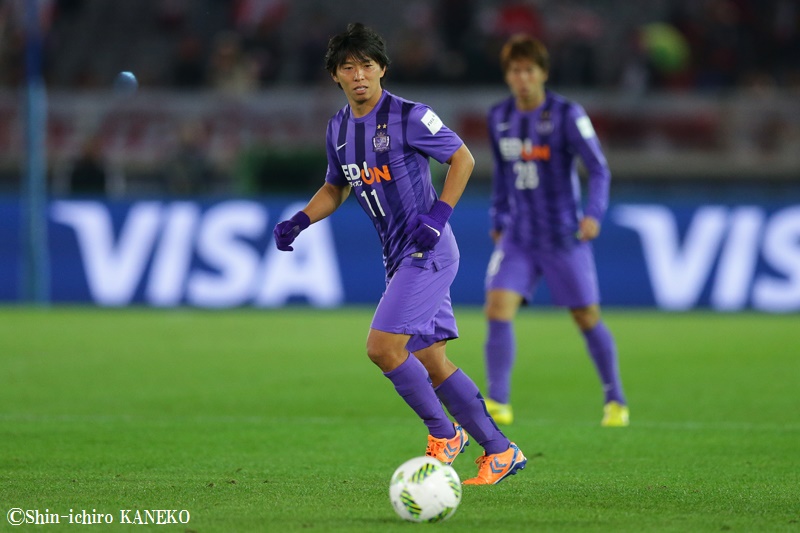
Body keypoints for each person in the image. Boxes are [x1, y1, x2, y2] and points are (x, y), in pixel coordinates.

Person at [274, 22, 527, 485]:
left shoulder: (410, 115)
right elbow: (336, 186)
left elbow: (463, 158)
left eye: (366, 65)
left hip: (426, 249)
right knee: (431, 361)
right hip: (397, 256)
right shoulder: (338, 128)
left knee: (383, 347)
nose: (358, 75)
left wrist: (439, 216)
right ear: (335, 75)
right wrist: (302, 219)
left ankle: (444, 435)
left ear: (382, 69)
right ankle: (501, 450)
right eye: (347, 67)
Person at [482, 34, 629, 427]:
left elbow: (598, 168)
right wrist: (497, 217)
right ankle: (498, 401)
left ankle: (615, 399)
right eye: (515, 71)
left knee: (586, 316)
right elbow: (502, 172)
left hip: (564, 236)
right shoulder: (499, 117)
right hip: (519, 235)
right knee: (497, 308)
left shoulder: (567, 114)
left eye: (529, 70)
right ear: (508, 76)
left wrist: (593, 213)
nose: (522, 78)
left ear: (543, 73)